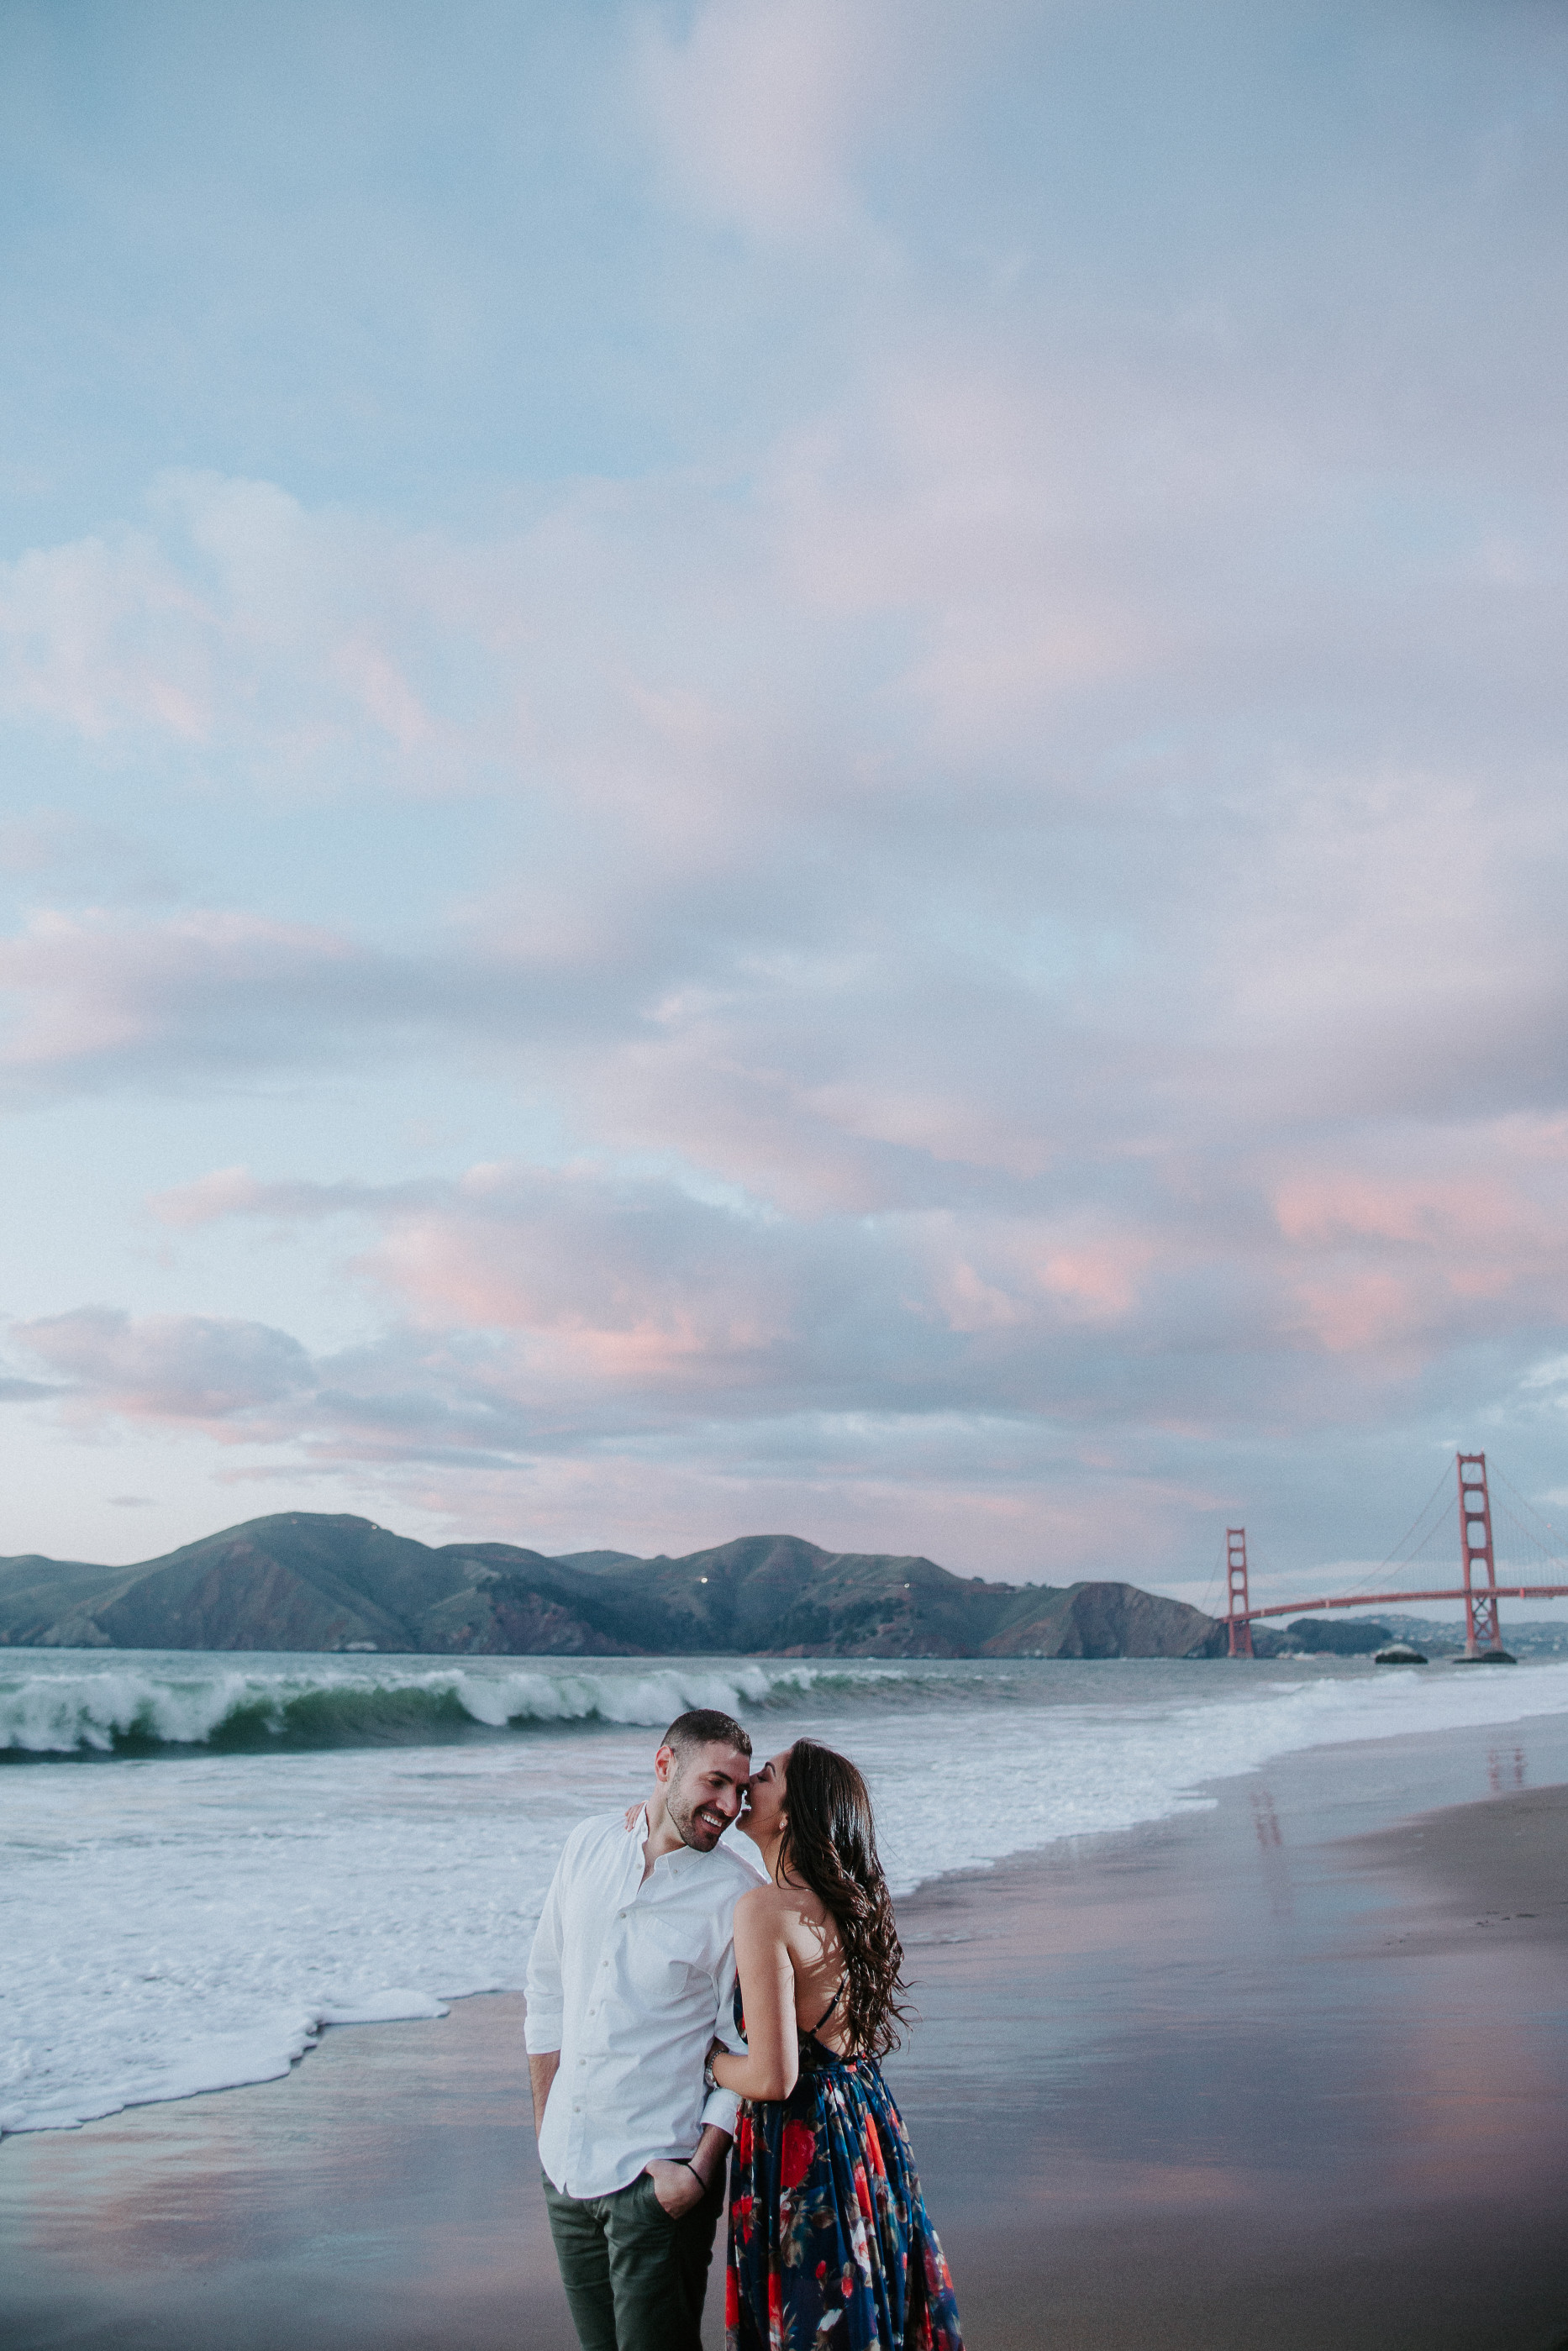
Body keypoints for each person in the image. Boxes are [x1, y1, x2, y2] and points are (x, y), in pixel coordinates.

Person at [708, 1739, 965, 2351]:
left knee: (816, 2315)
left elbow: (774, 2078)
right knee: (865, 2295)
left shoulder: (765, 1910)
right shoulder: (850, 1902)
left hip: (806, 2139)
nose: (747, 1788)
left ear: (793, 1812)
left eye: (764, 1777)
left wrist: (709, 2062)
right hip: (864, 2117)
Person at [525, 1707, 758, 2351]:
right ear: (665, 1766)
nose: (729, 1805)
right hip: (566, 2169)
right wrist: (547, 2123)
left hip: (657, 2183)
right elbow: (546, 1988)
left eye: (739, 1791)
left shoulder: (740, 1898)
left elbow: (748, 2050)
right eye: (715, 1783)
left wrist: (700, 2171)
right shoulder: (588, 1844)